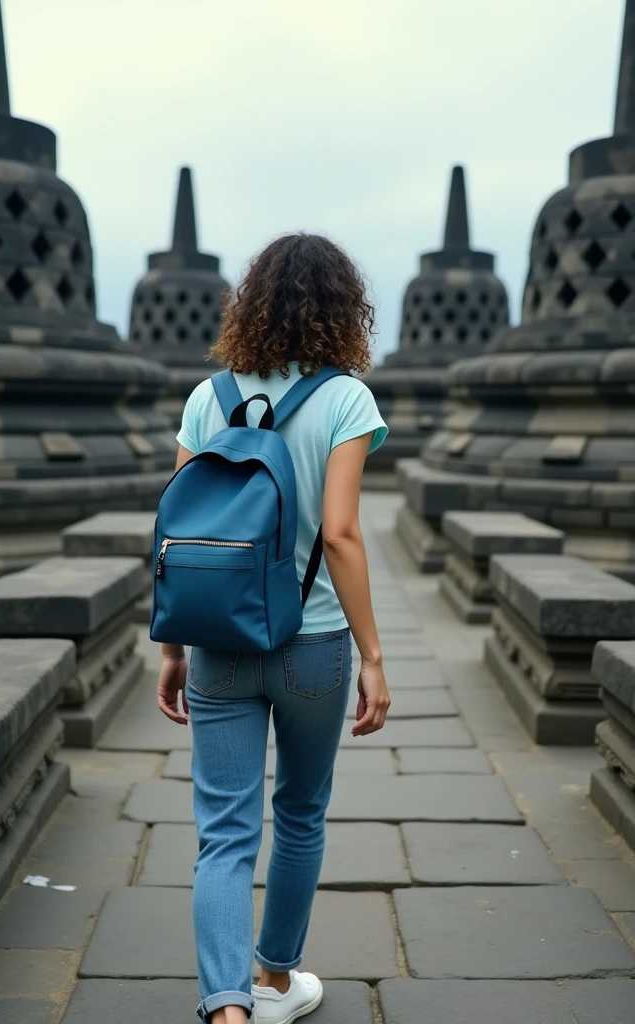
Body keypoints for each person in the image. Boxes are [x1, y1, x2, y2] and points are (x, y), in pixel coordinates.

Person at [156, 232, 391, 1024]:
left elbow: (177, 536)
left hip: (218, 642)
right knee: (299, 811)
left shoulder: (206, 397)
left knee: (223, 834)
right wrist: (374, 656)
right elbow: (342, 533)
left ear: (248, 303)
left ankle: (226, 1010)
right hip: (313, 644)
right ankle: (276, 981)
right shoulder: (347, 400)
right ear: (342, 309)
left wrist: (170, 647)